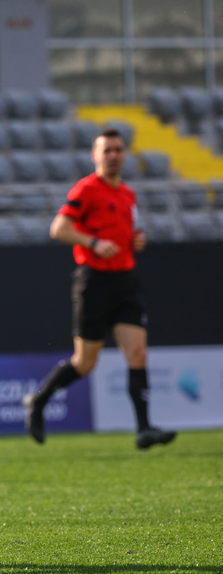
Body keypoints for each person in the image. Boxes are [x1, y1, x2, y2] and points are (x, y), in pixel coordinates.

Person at [23, 128, 177, 450]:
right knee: (85, 362)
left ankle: (144, 428)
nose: (113, 155)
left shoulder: (128, 195)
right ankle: (38, 401)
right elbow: (59, 228)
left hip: (125, 280)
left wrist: (137, 241)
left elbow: (131, 233)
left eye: (118, 150)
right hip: (94, 281)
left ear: (125, 155)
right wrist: (92, 242)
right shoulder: (87, 189)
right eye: (106, 150)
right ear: (95, 155)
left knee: (137, 353)